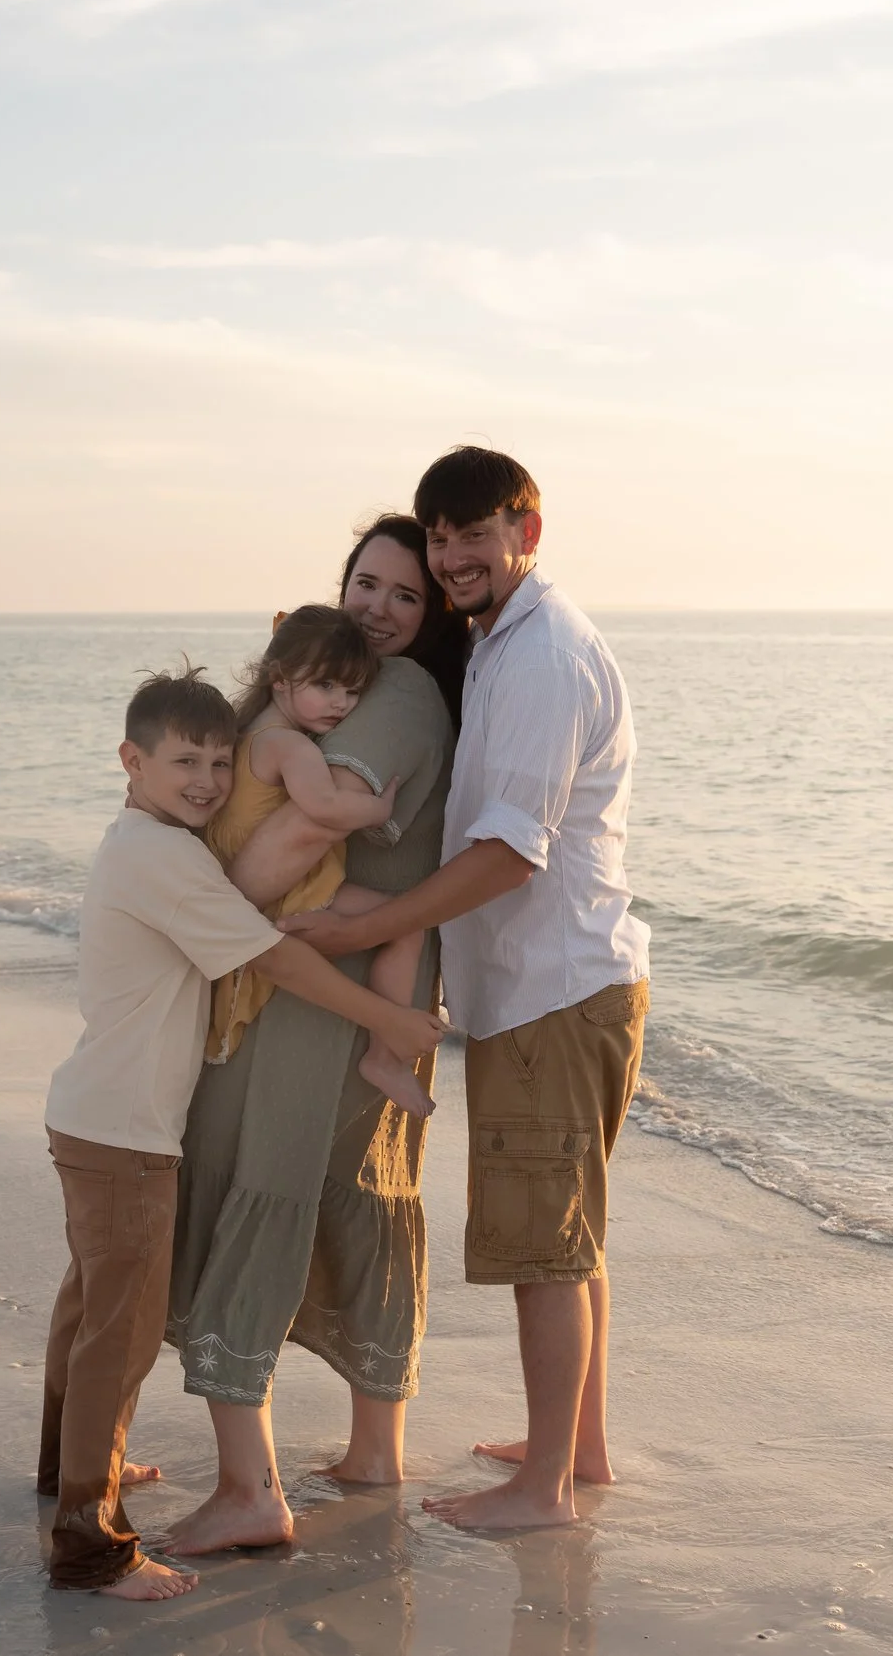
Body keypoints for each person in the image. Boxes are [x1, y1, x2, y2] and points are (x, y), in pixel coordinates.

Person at [282, 448, 649, 1531]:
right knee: (569, 1234)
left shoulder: (539, 659)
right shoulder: (506, 641)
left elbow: (510, 853)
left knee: (541, 1243)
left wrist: (370, 923)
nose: (449, 558)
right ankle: (573, 1448)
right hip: (560, 983)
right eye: (436, 537)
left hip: (552, 989)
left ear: (526, 532)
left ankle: (543, 1492)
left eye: (471, 534)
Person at [35, 666, 445, 1598]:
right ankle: (89, 1544)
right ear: (131, 760)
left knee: (89, 1309)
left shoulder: (138, 840)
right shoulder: (167, 860)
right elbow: (275, 959)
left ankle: (69, 1472)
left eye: (222, 761)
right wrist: (389, 1020)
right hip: (127, 1130)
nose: (209, 782)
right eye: (185, 760)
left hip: (92, 1115)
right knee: (123, 1331)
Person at [162, 515, 469, 1553]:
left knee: (263, 1177)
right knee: (362, 1189)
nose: (378, 608)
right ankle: (373, 1448)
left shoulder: (400, 693)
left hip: (314, 971)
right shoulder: (370, 686)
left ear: (432, 618)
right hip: (370, 966)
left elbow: (309, 822)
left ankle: (251, 1489)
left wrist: (198, 929)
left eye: (404, 595)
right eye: (364, 584)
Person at [203, 604, 437, 1119]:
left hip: (248, 880)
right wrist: (379, 806)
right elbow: (326, 808)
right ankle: (385, 1057)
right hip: (295, 892)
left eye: (352, 691)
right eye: (326, 686)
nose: (342, 704)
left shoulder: (244, 736)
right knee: (406, 924)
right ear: (280, 679)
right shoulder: (290, 746)